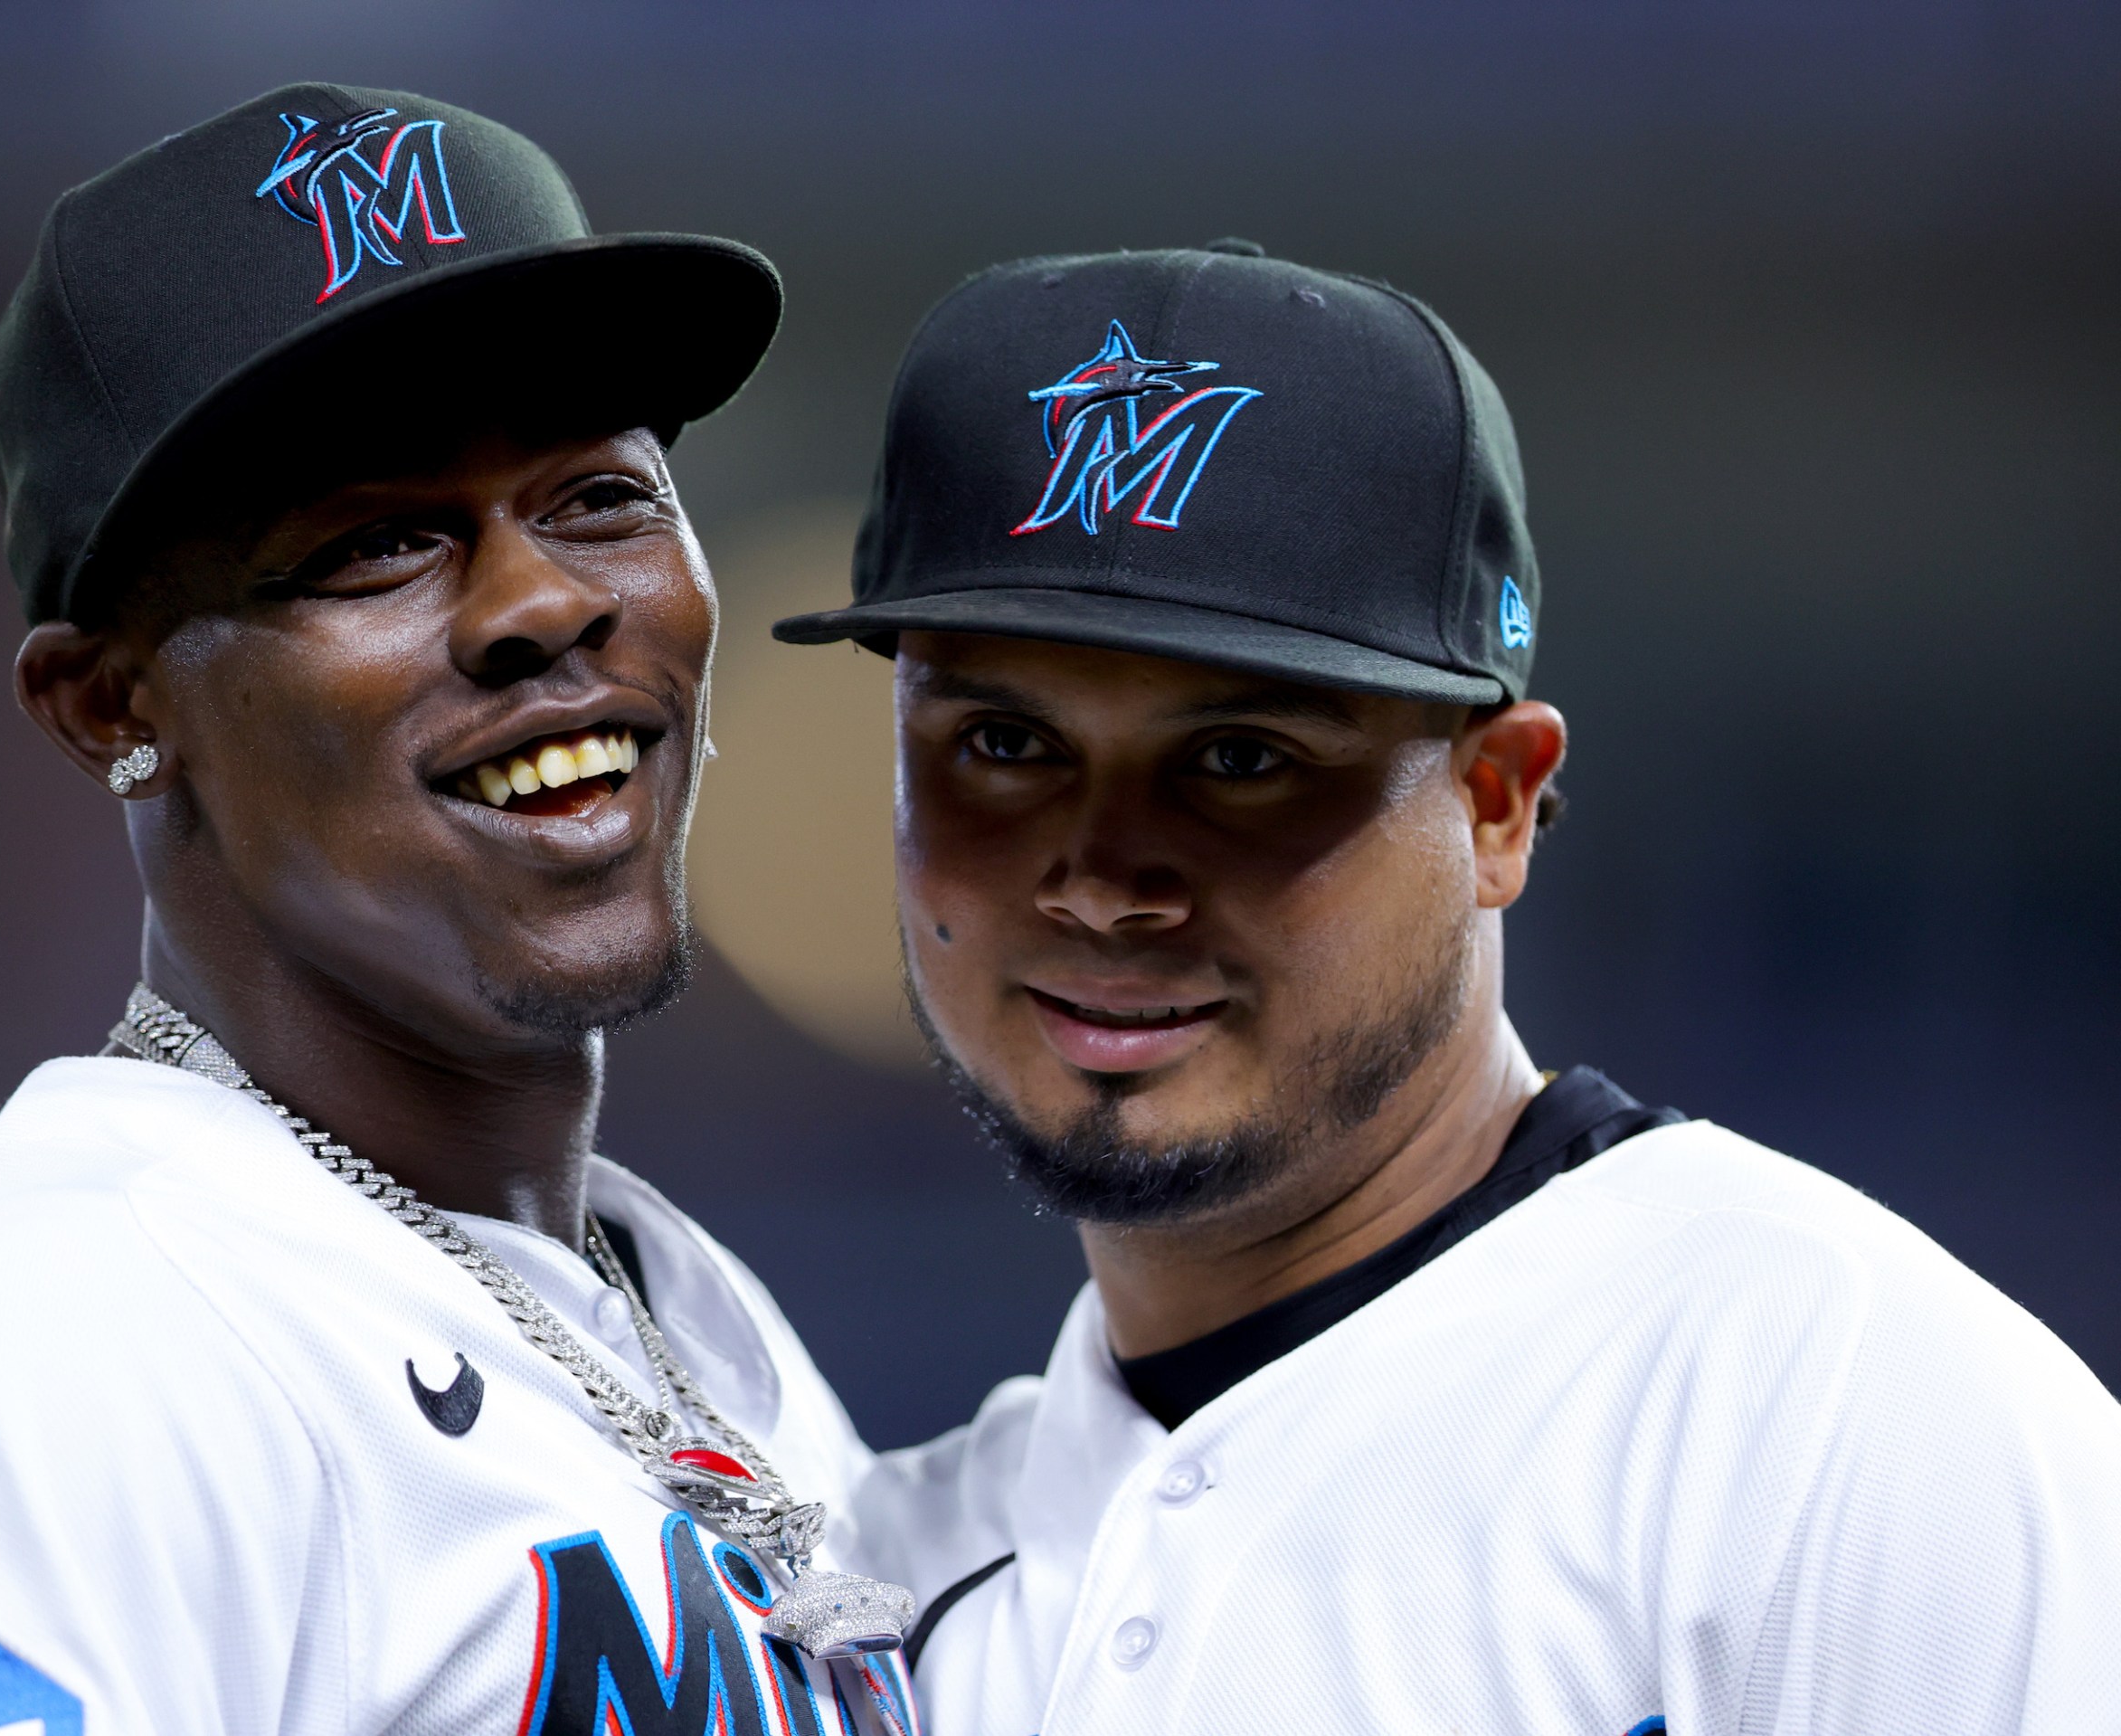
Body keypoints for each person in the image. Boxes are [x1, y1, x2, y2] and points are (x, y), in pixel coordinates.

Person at [0, 84, 920, 1736]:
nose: (545, 601)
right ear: (111, 707)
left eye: (598, 497)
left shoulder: (680, 1315)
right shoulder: (47, 1373)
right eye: (377, 546)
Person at [777, 242, 2121, 1733]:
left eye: (1239, 762)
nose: (1100, 879)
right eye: (1007, 745)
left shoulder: (1836, 1416)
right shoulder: (877, 1589)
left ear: (1496, 804)